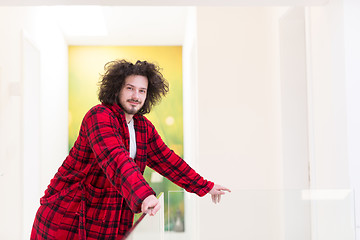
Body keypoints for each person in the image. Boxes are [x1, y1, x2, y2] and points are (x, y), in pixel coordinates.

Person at [31, 59, 230, 240]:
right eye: (130, 88)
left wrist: (204, 185)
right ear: (117, 89)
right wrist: (144, 195)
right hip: (68, 217)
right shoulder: (98, 116)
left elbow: (167, 160)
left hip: (107, 222)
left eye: (142, 91)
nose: (136, 96)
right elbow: (116, 159)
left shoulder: (142, 127)